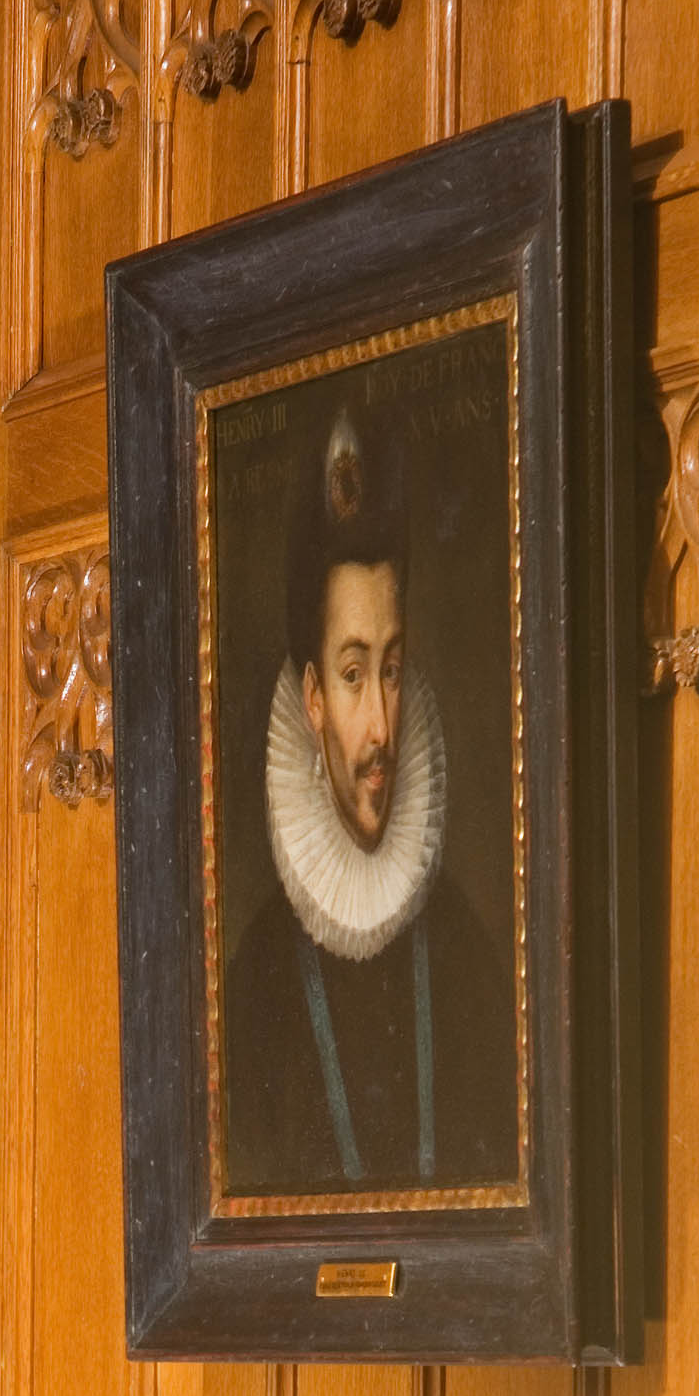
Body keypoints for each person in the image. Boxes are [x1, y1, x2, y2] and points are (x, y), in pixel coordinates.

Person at [222, 404, 521, 1201]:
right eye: (354, 676)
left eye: (391, 669)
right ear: (313, 696)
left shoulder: (464, 950)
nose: (382, 727)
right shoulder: (254, 984)